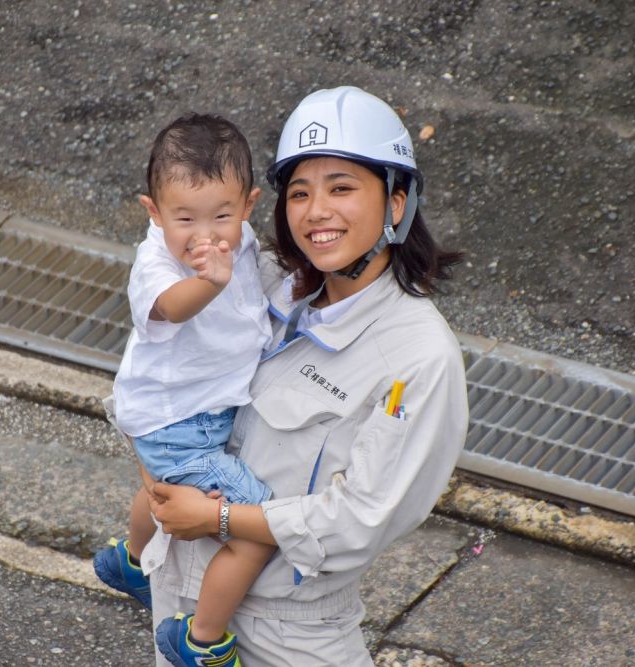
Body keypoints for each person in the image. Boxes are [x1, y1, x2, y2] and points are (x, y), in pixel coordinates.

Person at [143, 85, 469, 665]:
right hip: (180, 604)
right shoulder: (257, 282)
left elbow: (359, 522)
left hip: (292, 637)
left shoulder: (419, 357)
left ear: (396, 203)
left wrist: (218, 517)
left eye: (342, 188)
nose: (315, 211)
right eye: (299, 192)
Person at [92, 113, 276, 666]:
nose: (206, 235)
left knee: (160, 488)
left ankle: (131, 560)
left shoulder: (238, 238)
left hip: (177, 415)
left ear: (248, 205)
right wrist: (208, 282)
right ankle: (199, 642)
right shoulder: (157, 263)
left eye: (222, 215)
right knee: (259, 529)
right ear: (154, 212)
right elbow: (171, 308)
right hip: (177, 427)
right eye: (184, 219)